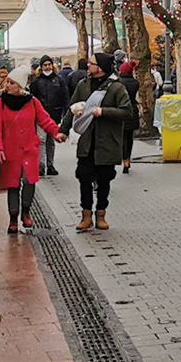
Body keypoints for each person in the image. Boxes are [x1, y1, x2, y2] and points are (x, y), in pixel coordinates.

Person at [0, 74, 65, 233]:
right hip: (10, 151)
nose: (8, 86)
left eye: (12, 83)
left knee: (29, 181)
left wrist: (56, 133)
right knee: (13, 184)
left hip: (29, 150)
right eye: (7, 82)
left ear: (20, 85)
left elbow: (45, 120)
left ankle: (26, 210)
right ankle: (13, 218)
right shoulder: (0, 104)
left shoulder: (32, 102)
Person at [68, 53, 133, 231]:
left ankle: (101, 214)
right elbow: (71, 108)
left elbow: (127, 113)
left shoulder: (116, 88)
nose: (88, 66)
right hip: (86, 143)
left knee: (104, 181)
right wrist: (63, 130)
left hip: (107, 143)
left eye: (92, 63)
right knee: (83, 177)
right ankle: (86, 215)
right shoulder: (83, 85)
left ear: (101, 67)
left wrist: (104, 111)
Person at [29, 56, 72, 176]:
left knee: (51, 140)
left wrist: (66, 111)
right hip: (40, 115)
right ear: (41, 67)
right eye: (45, 65)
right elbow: (32, 98)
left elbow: (65, 96)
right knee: (41, 139)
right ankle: (41, 165)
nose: (47, 67)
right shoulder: (37, 82)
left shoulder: (59, 80)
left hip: (54, 114)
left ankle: (50, 164)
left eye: (49, 64)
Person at [117, 60, 141, 173]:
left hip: (122, 110)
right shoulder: (135, 83)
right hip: (133, 110)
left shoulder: (119, 83)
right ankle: (129, 159)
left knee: (122, 137)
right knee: (130, 137)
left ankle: (125, 159)